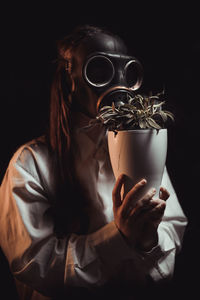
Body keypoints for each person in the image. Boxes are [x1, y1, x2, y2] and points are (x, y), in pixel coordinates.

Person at [0, 25, 187, 300]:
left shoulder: (141, 149)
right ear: (68, 81)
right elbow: (34, 265)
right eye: (100, 71)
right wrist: (119, 238)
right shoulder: (29, 165)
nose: (118, 84)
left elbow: (172, 229)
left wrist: (149, 240)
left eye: (128, 72)